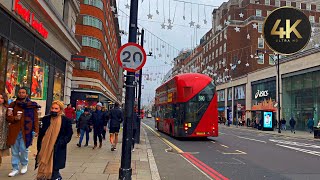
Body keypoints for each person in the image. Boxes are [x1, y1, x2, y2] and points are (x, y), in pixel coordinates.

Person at [6, 87, 40, 177]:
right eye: (20, 92)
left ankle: (24, 164)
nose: (21, 94)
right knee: (14, 151)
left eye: (23, 92)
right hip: (15, 131)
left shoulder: (32, 105)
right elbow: (8, 117)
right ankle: (15, 168)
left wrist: (36, 130)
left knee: (24, 149)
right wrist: (15, 118)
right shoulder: (13, 105)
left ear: (26, 94)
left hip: (27, 131)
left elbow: (35, 119)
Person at [36, 100, 73, 180]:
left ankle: (56, 177)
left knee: (55, 168)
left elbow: (69, 134)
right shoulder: (45, 119)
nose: (53, 110)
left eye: (56, 108)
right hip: (45, 147)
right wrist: (40, 144)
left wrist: (62, 142)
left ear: (60, 109)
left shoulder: (65, 121)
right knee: (43, 164)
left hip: (58, 147)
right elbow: (41, 134)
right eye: (52, 108)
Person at [0, 93, 10, 167]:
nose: (0, 99)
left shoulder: (7, 109)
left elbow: (9, 119)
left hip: (2, 132)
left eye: (1, 98)